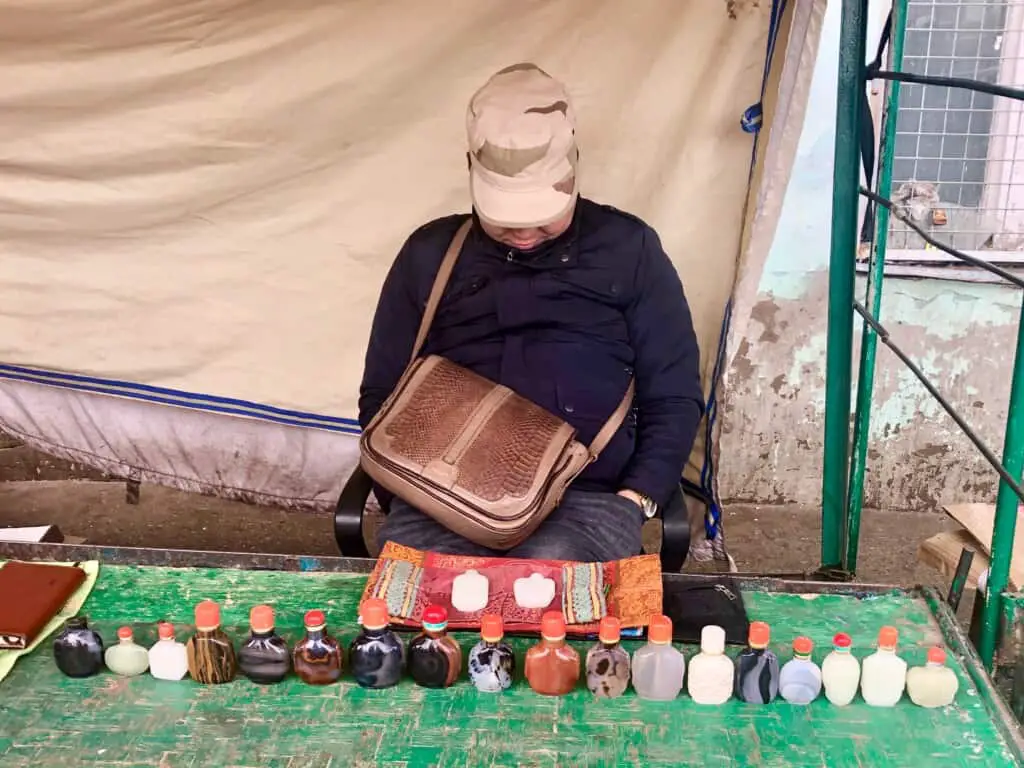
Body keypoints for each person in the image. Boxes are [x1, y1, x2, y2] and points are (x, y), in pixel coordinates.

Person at [358, 62, 704, 561]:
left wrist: (637, 498)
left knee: (559, 617)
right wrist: (409, 490)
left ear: (574, 172)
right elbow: (382, 395)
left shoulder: (630, 250)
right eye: (505, 220)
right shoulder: (430, 254)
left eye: (542, 219)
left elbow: (673, 396)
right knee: (421, 620)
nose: (523, 234)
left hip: (588, 501)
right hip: (441, 501)